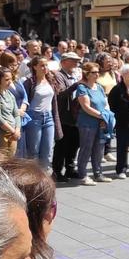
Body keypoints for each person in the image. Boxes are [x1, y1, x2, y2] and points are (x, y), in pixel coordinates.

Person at [74, 62, 113, 185]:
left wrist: (105, 116)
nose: (97, 74)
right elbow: (86, 107)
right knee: (86, 148)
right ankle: (83, 175)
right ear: (87, 74)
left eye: (98, 72)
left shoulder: (99, 87)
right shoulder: (82, 88)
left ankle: (98, 173)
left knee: (99, 149)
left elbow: (105, 103)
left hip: (101, 122)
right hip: (87, 123)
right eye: (94, 72)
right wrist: (102, 116)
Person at [51, 51, 82, 182]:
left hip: (76, 115)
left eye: (77, 61)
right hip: (64, 115)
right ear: (63, 62)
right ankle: (57, 171)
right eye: (73, 60)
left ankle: (70, 168)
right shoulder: (58, 75)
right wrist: (76, 85)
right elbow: (61, 94)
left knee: (74, 143)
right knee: (62, 145)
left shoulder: (75, 74)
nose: (76, 63)